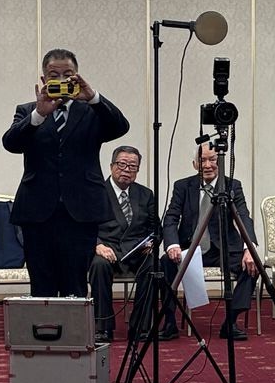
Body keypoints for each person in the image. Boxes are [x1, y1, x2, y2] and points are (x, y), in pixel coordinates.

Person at [3, 48, 130, 298]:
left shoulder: (91, 111)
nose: (61, 80)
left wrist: (92, 97)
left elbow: (120, 126)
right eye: (54, 75)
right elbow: (11, 143)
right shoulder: (28, 110)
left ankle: (75, 325)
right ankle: (44, 324)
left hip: (81, 212)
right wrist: (39, 114)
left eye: (68, 74)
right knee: (42, 287)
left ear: (77, 76)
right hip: (37, 212)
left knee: (76, 286)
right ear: (44, 78)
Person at [161, 144, 258, 340]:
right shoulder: (182, 186)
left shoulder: (232, 186)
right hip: (190, 248)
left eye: (212, 160)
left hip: (223, 249)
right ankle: (169, 322)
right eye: (202, 160)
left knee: (252, 266)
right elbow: (171, 217)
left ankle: (231, 321)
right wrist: (172, 244)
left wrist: (250, 248)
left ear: (220, 162)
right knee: (163, 264)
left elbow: (243, 216)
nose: (207, 165)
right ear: (194, 164)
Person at [90, 145, 160, 344]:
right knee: (98, 265)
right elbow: (84, 228)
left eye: (132, 166)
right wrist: (97, 245)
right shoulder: (96, 192)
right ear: (111, 166)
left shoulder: (145, 194)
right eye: (122, 164)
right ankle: (103, 327)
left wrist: (152, 242)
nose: (127, 170)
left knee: (153, 265)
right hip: (107, 250)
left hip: (136, 252)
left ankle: (140, 326)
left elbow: (156, 229)